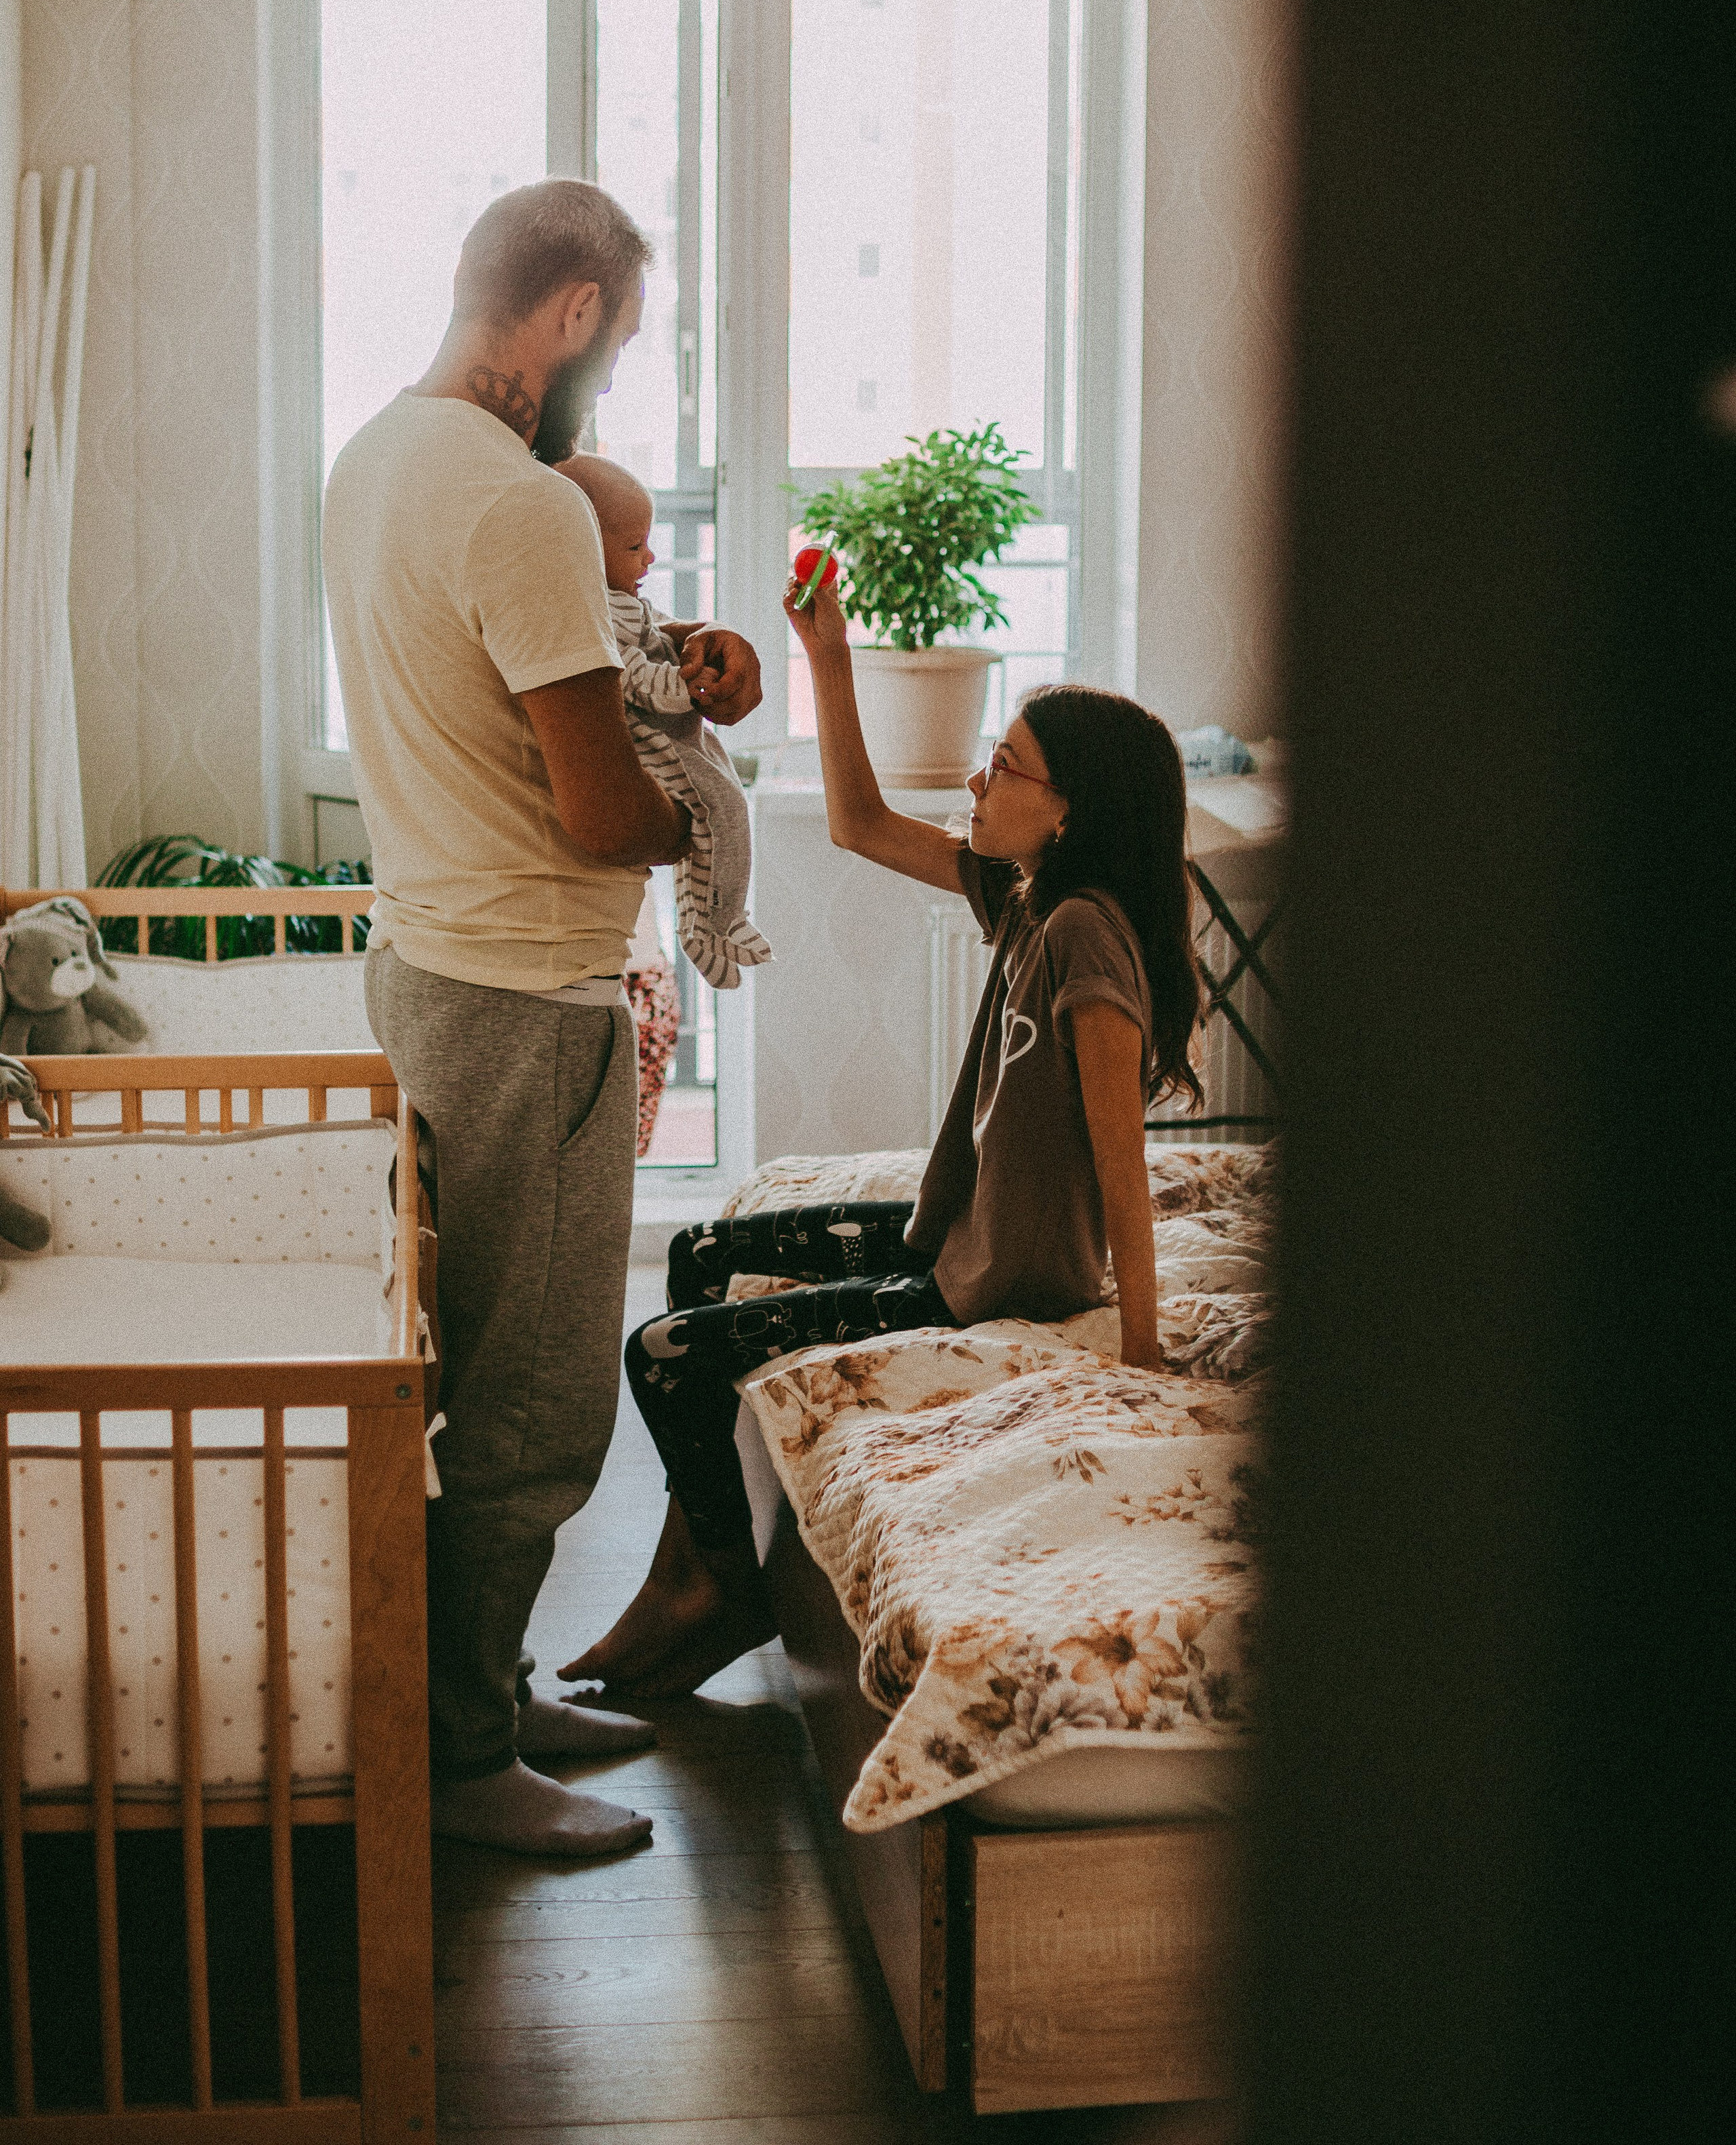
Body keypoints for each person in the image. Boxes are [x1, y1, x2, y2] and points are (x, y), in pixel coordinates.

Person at [321, 179, 764, 1855]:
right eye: (622, 339)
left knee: (470, 1368)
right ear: (569, 310)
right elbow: (595, 811)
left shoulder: (372, 460)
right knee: (527, 1411)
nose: (611, 379)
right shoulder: (519, 503)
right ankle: (454, 1766)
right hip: (528, 996)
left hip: (431, 971)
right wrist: (698, 801)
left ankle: (485, 1692)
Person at [559, 568, 1204, 1700]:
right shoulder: (1027, 897)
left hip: (997, 1280)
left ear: (1071, 810)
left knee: (662, 1354)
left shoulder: (1089, 941)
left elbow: (1122, 1167)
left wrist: (1139, 1355)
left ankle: (715, 1589)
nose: (978, 777)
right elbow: (856, 824)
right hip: (947, 1233)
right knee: (703, 1256)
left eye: (1005, 767)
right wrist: (828, 656)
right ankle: (690, 1573)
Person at [553, 452, 772, 987]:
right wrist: (688, 689)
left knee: (727, 805)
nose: (649, 557)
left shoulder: (623, 599)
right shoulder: (589, 610)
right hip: (655, 738)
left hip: (680, 729)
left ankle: (724, 916)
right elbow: (633, 676)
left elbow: (653, 637)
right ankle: (707, 927)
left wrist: (692, 645)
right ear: (582, 550)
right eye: (634, 547)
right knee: (718, 809)